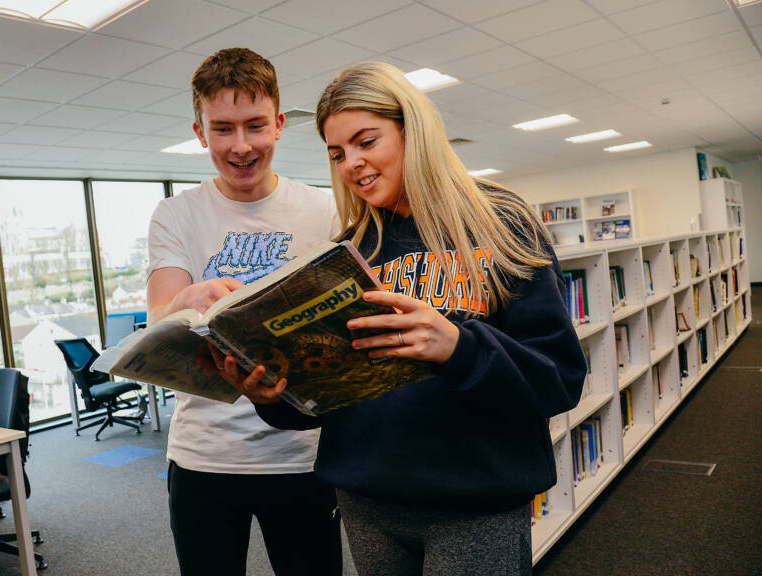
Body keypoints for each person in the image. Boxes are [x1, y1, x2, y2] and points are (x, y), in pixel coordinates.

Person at [236, 61, 588, 576]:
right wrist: (273, 396)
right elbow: (329, 397)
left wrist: (458, 348)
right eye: (338, 153)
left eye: (366, 141)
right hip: (366, 500)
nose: (352, 163)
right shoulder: (346, 254)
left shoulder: (502, 220)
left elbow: (559, 379)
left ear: (411, 130)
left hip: (474, 504)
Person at [146, 48, 343, 576]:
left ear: (279, 124)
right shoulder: (175, 214)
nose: (241, 146)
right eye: (223, 128)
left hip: (302, 456)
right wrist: (181, 304)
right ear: (199, 132)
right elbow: (155, 326)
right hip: (203, 457)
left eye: (255, 125)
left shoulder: (325, 208)